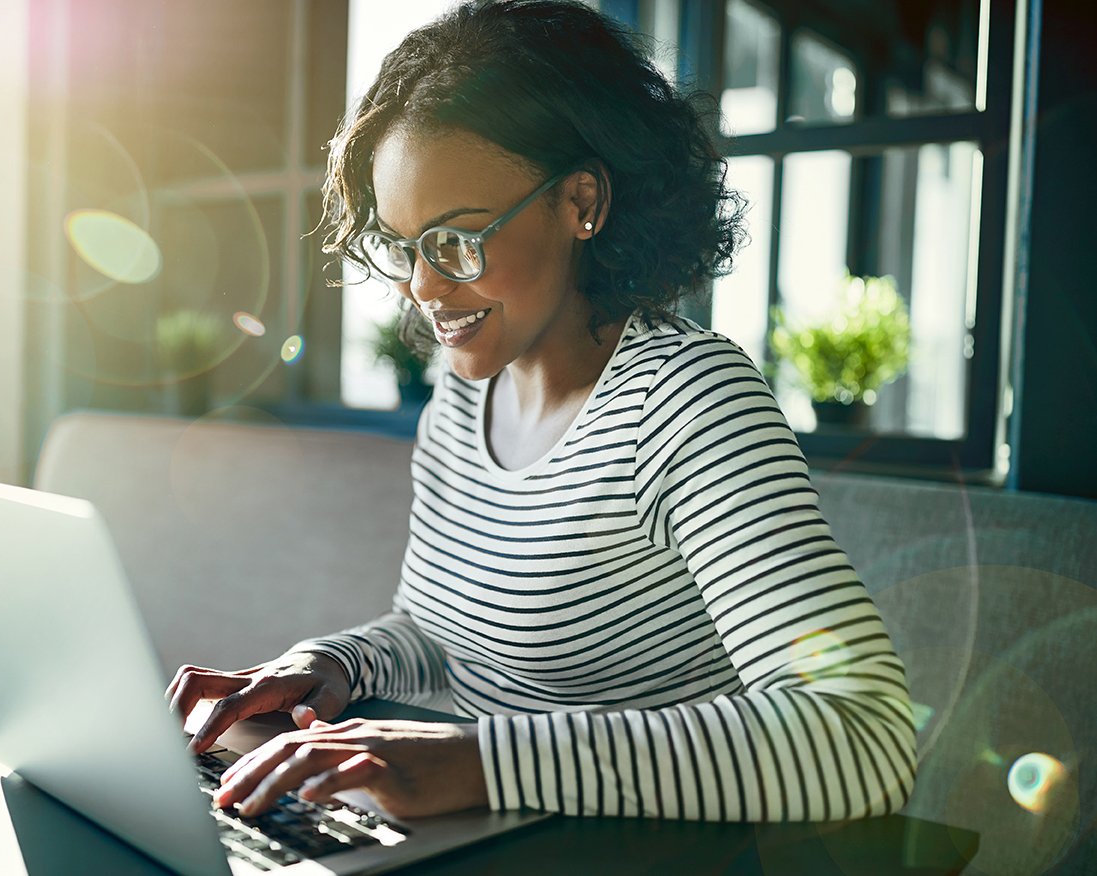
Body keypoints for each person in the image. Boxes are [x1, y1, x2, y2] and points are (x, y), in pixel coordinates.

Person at [166, 0, 916, 822]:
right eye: (403, 246)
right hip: (498, 839)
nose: (422, 287)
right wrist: (329, 665)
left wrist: (480, 762)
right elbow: (442, 631)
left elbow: (861, 733)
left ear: (580, 203)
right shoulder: (464, 394)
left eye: (456, 240)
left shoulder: (688, 401)